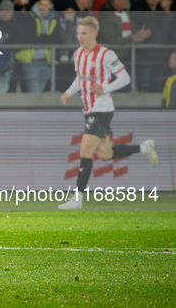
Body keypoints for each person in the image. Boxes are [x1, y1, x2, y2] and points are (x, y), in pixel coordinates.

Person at [58, 16, 158, 210]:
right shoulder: (78, 54)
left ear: (94, 33)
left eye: (84, 33)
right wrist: (69, 92)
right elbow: (80, 78)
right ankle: (144, 148)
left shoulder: (106, 55)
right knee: (105, 154)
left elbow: (125, 77)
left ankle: (77, 198)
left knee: (85, 148)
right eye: (78, 33)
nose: (80, 37)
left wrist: (105, 88)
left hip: (102, 108)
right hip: (88, 109)